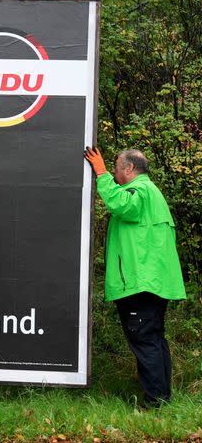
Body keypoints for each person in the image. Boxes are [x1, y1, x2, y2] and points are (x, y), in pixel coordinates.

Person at [84, 147, 186, 407]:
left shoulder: (139, 191)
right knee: (154, 340)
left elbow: (122, 205)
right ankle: (162, 398)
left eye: (117, 167)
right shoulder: (152, 192)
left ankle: (154, 403)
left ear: (129, 169)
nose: (115, 171)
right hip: (153, 282)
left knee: (145, 342)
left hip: (139, 283)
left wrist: (101, 173)